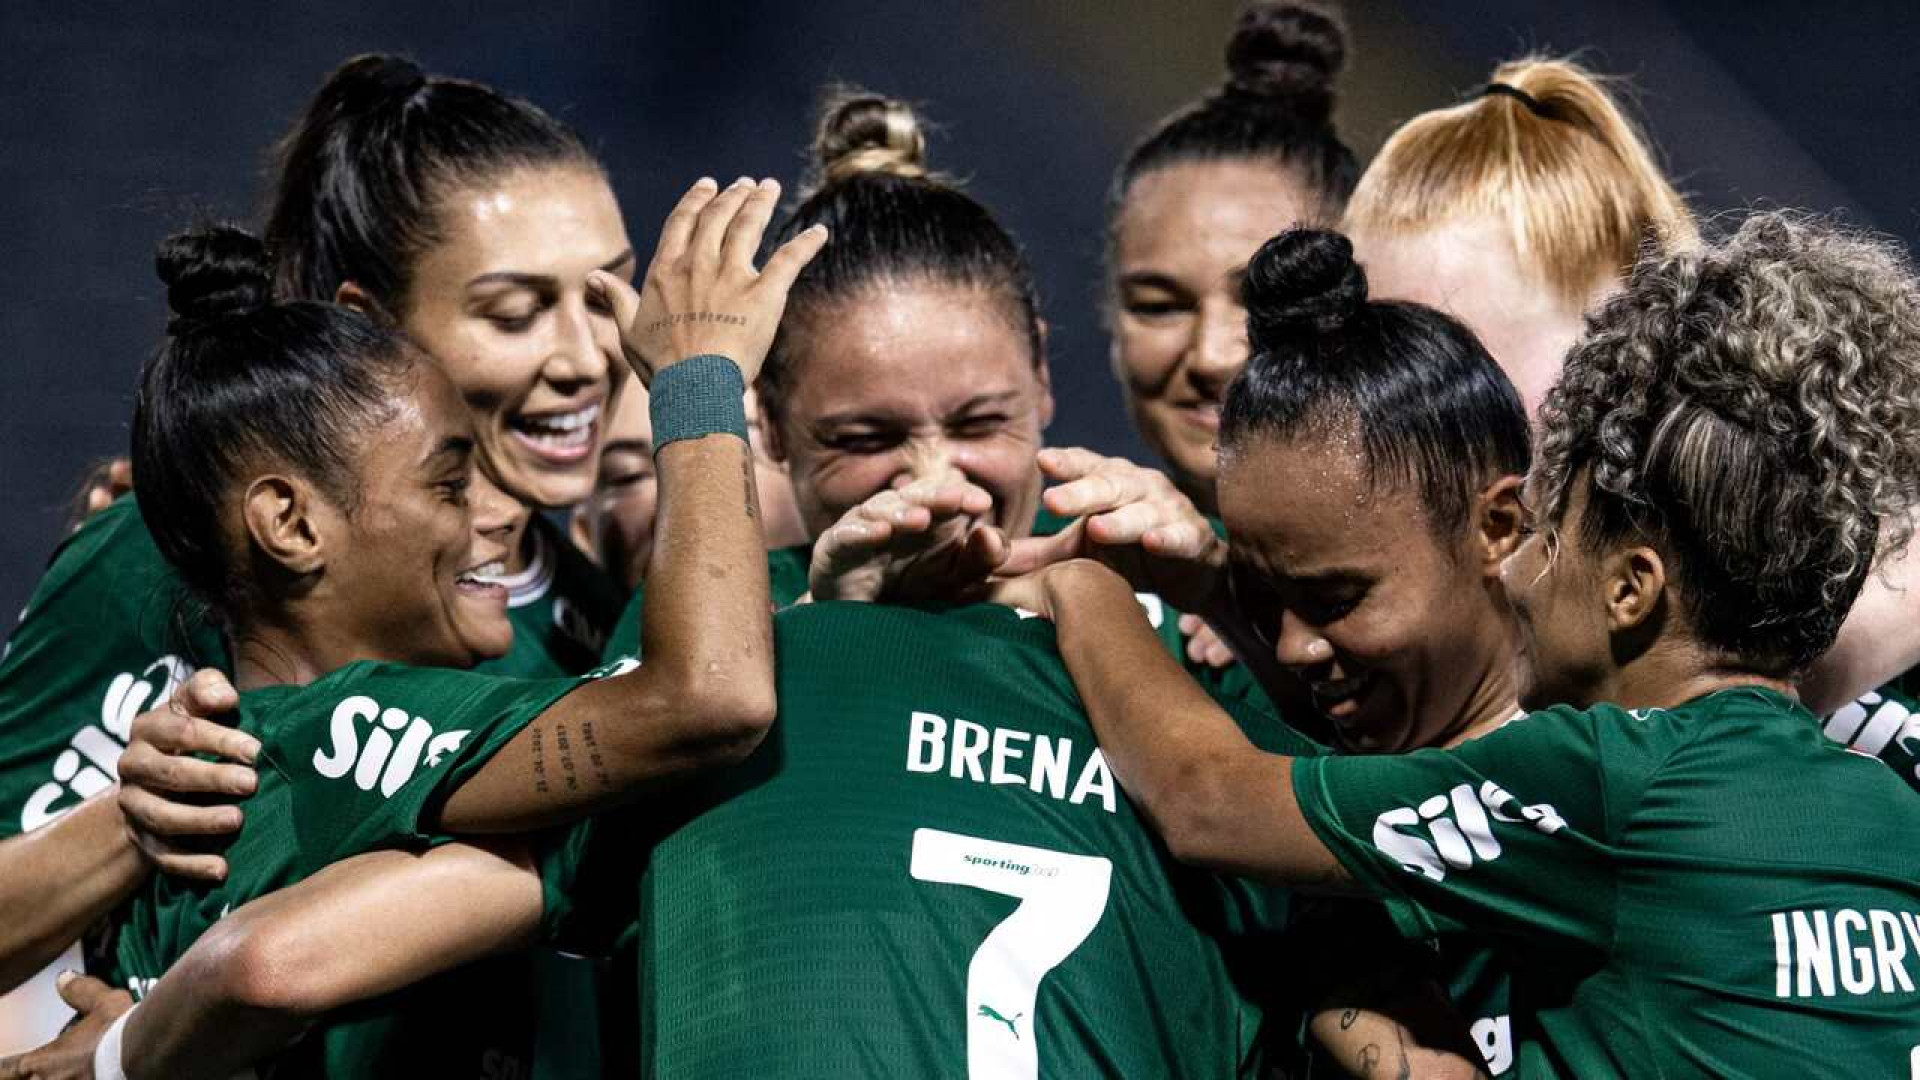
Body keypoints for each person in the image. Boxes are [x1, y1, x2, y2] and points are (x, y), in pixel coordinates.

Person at [1002, 217, 1920, 1076]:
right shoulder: (1887, 811)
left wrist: (1083, 586)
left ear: (1631, 588)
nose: (1520, 576)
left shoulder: (1605, 777)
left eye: (1548, 540)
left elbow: (1207, 801)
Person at [0, 180, 818, 1080]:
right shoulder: (345, 729)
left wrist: (124, 1054)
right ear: (294, 526)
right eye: (450, 483)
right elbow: (710, 697)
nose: (500, 517)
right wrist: (702, 381)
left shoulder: (207, 785)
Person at [1105, 0, 1357, 519]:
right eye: (1159, 306)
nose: (1211, 358)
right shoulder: (1040, 568)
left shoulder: (1469, 579)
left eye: (1263, 299)